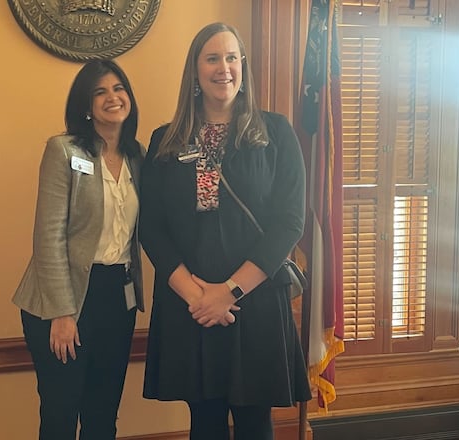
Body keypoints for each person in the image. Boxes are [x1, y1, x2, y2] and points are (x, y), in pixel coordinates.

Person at [139, 22, 312, 440]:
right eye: (212, 58)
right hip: (191, 304)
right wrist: (199, 297)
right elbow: (152, 228)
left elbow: (289, 222)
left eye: (232, 57)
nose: (224, 68)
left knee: (254, 421)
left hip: (253, 300)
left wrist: (228, 292)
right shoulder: (166, 140)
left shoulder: (276, 133)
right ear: (195, 71)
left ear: (243, 65)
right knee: (205, 420)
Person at [12, 59, 144, 440]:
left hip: (117, 299)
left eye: (118, 88)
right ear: (86, 106)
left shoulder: (139, 156)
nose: (112, 97)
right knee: (60, 414)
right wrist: (63, 313)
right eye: (99, 91)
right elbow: (48, 237)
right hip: (64, 302)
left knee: (103, 415)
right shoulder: (63, 150)